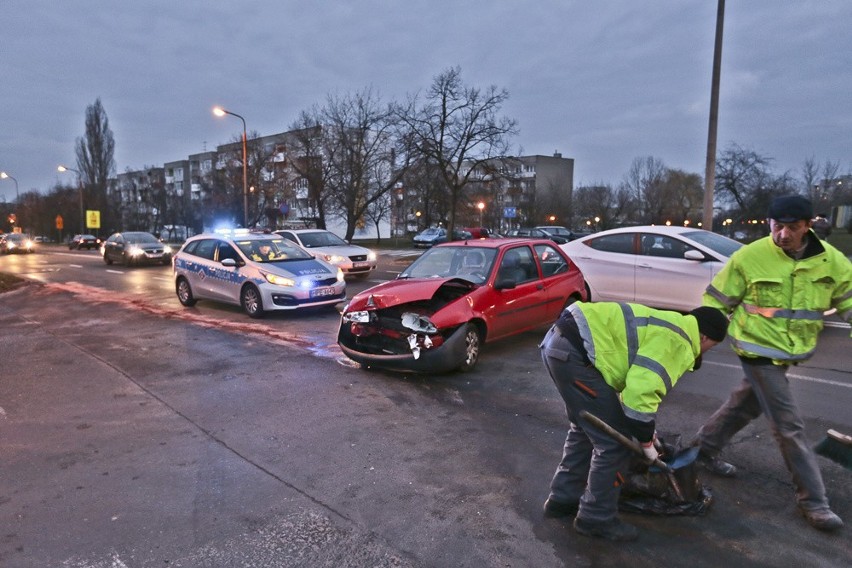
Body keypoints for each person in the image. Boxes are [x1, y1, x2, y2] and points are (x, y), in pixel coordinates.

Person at [693, 194, 851, 532]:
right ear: (769, 223)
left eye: (792, 228)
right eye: (777, 226)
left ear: (809, 226)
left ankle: (699, 453)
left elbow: (849, 298)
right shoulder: (750, 257)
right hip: (756, 350)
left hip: (788, 352)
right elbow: (716, 300)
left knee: (744, 406)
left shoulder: (832, 262)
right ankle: (814, 501)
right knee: (788, 426)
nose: (783, 235)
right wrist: (699, 339)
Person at [540, 301, 729, 541]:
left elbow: (627, 379)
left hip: (561, 342)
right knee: (613, 444)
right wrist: (646, 445)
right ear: (704, 337)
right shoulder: (678, 341)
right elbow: (640, 395)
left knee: (588, 430)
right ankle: (595, 518)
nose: (707, 352)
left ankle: (562, 500)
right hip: (576, 352)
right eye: (712, 346)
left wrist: (649, 436)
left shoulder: (670, 324)